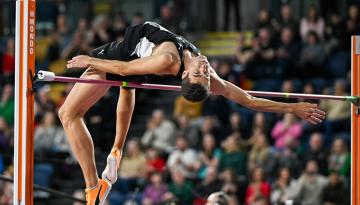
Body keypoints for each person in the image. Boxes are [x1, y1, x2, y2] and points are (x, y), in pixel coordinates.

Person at [60, 21, 326, 205]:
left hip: (123, 58)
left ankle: (93, 187)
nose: (205, 68)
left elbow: (124, 69)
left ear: (186, 74)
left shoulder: (169, 60)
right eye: (205, 75)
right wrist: (294, 108)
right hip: (134, 61)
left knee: (68, 114)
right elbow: (249, 99)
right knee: (126, 87)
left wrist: (89, 59)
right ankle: (115, 153)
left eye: (201, 73)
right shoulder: (205, 72)